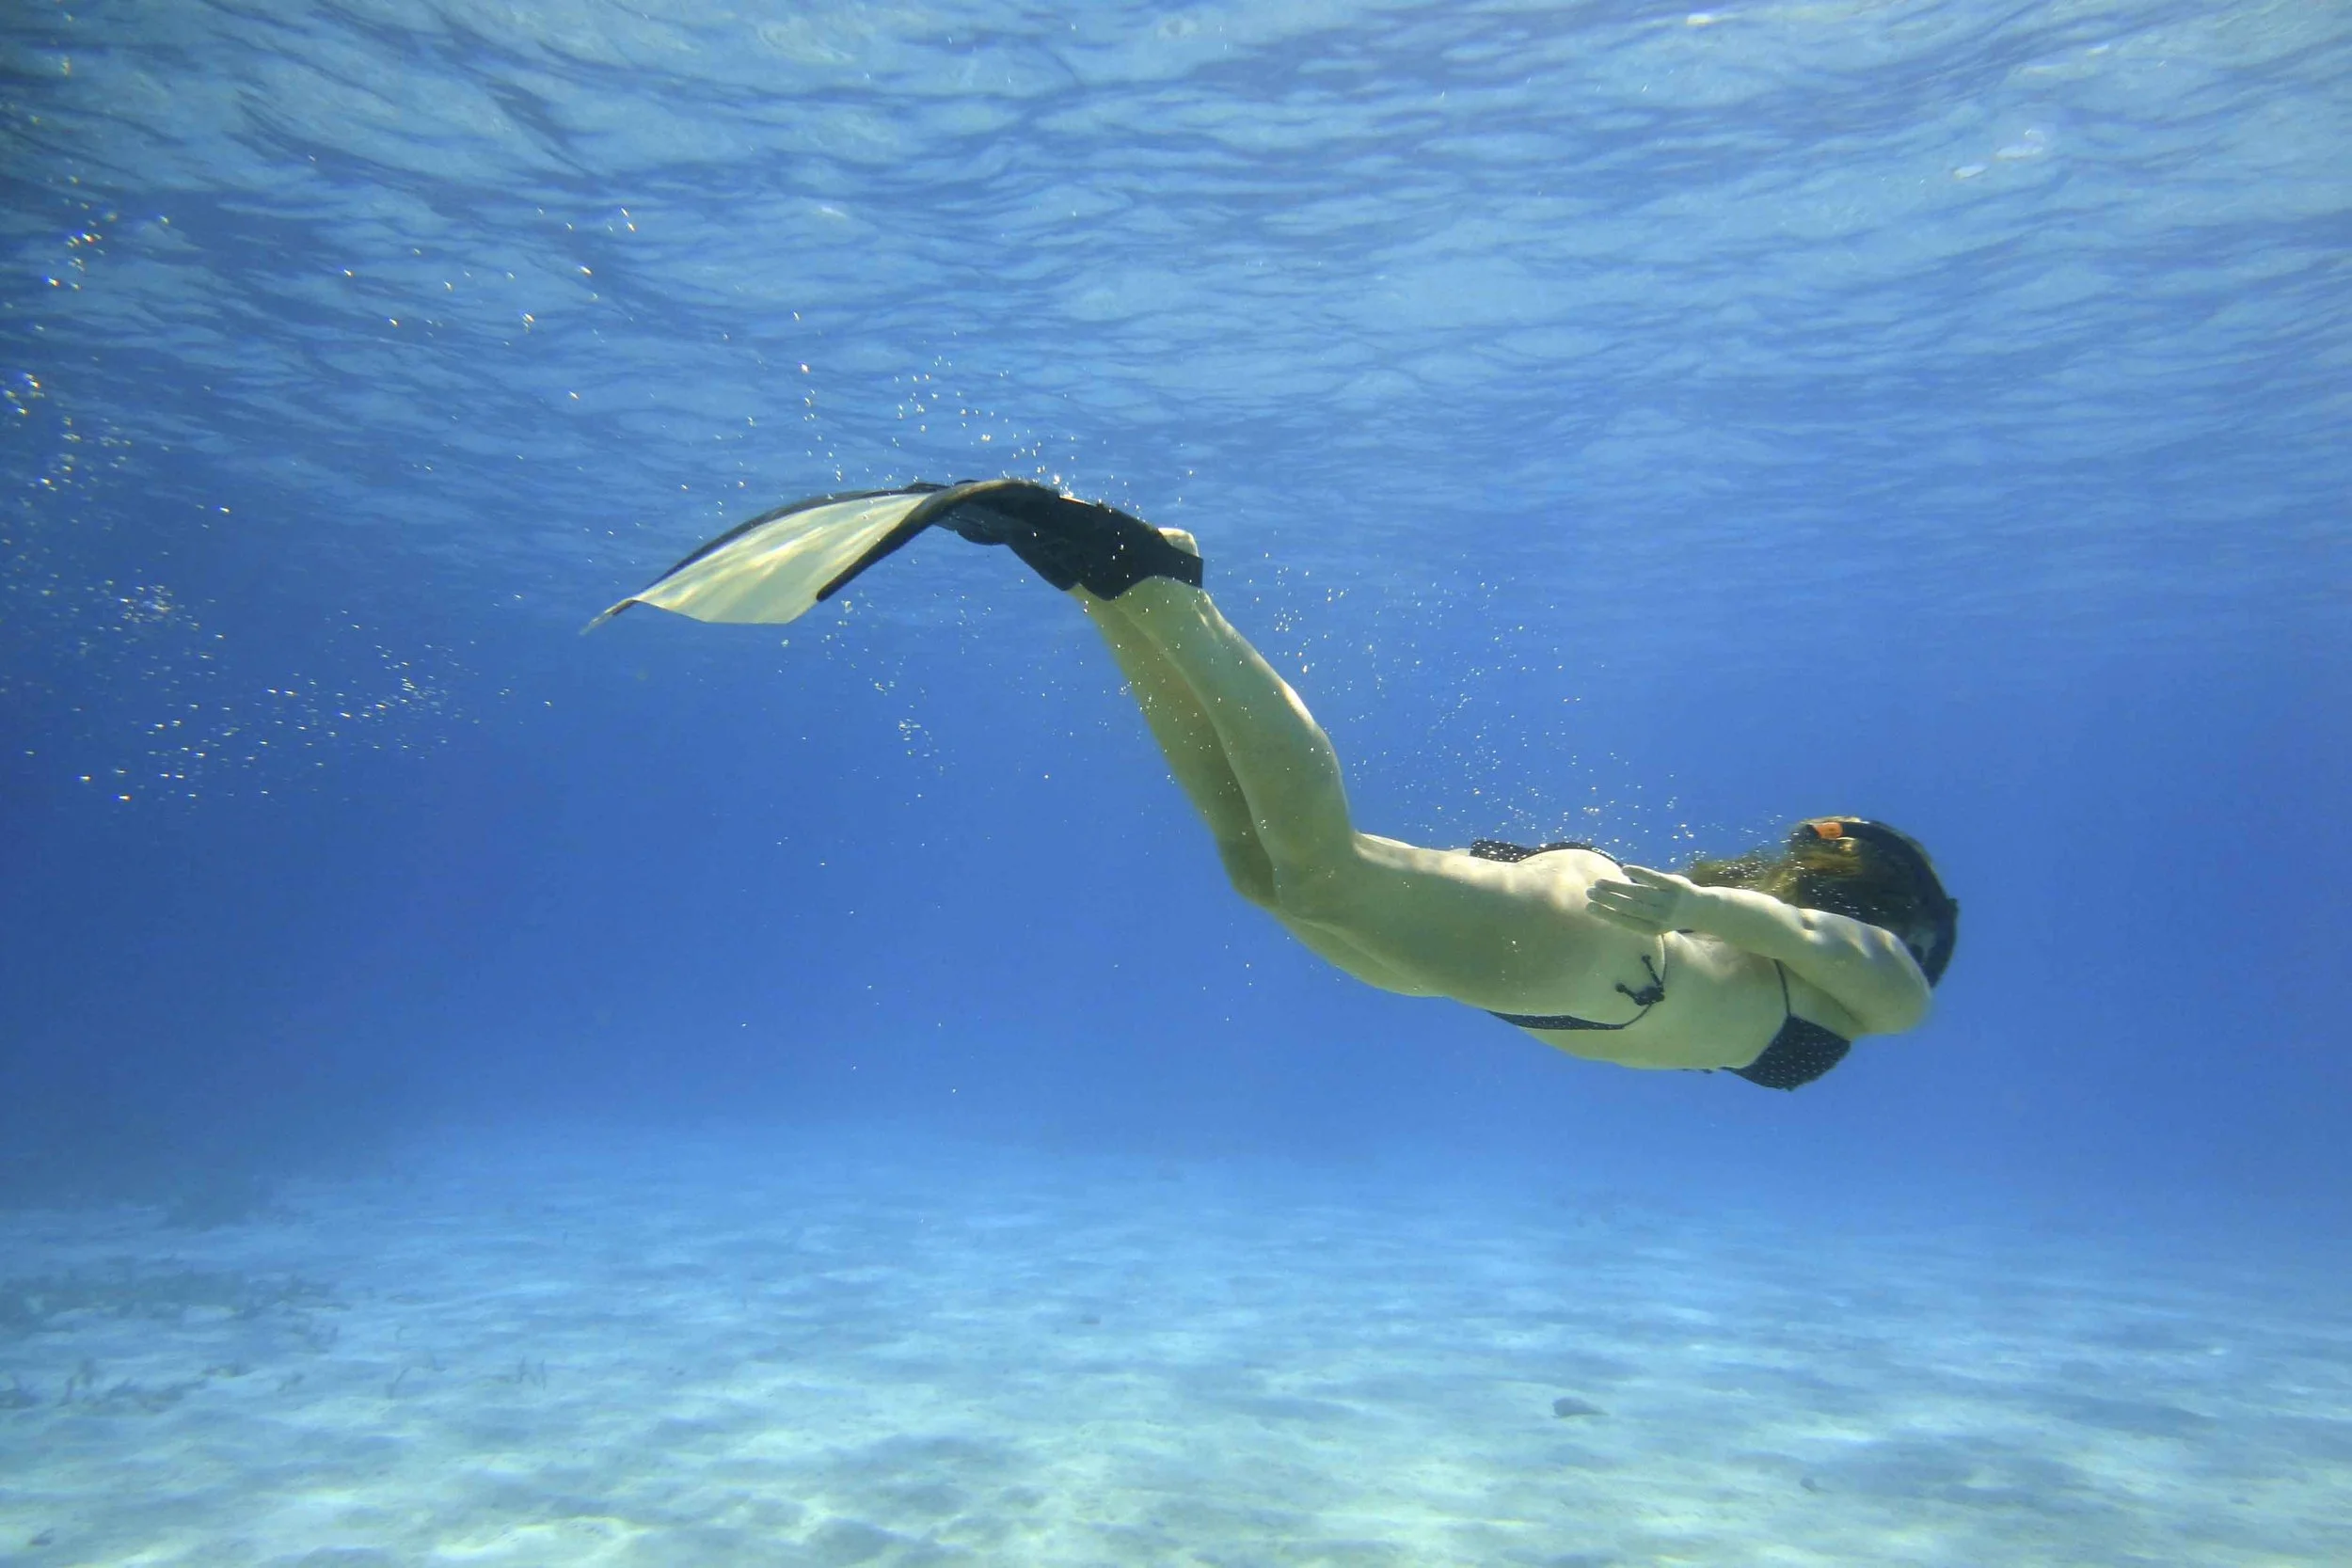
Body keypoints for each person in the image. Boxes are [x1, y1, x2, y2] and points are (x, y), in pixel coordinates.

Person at [600, 479, 1959, 1089]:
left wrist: (1713, 905)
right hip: (1610, 957)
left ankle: (1100, 587)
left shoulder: (1824, 964)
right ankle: (1162, 588)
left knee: (1262, 871)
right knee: (1320, 866)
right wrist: (1718, 907)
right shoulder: (1878, 985)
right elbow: (1878, 978)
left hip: (1559, 980)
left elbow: (1817, 942)